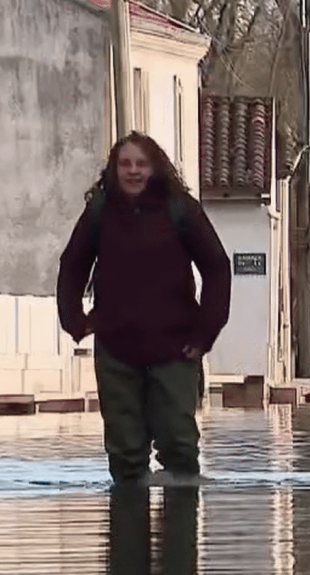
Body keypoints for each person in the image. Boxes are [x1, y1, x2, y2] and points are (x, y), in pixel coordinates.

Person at [57, 132, 232, 483]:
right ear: (114, 169)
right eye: (125, 164)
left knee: (179, 447)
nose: (133, 171)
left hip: (175, 348)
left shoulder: (180, 209)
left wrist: (204, 333)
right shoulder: (100, 212)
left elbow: (217, 267)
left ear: (155, 168)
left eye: (141, 164)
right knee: (125, 454)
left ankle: (180, 528)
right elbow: (72, 265)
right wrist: (74, 320)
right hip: (117, 349)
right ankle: (127, 532)